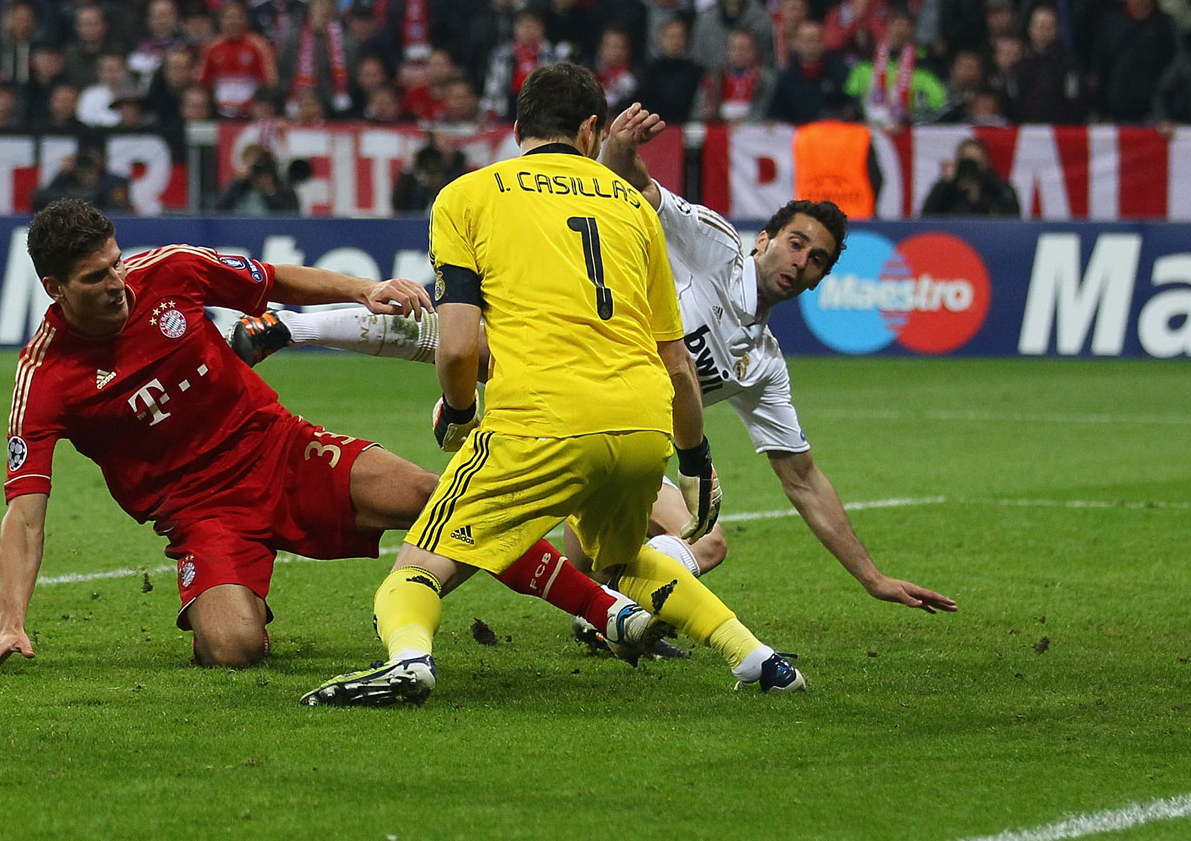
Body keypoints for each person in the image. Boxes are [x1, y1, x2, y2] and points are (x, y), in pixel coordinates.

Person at [0, 200, 661, 674]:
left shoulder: (167, 271)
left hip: (280, 448)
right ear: (55, 288)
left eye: (116, 262)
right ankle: (232, 596)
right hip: (203, 514)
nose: (118, 282)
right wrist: (11, 622)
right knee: (233, 648)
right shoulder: (44, 377)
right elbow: (25, 513)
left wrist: (362, 290)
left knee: (435, 497)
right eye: (96, 277)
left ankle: (607, 613)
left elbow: (274, 282)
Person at [300, 64, 810, 709]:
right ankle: (756, 659)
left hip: (539, 420)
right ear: (591, 128)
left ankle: (408, 662)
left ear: (518, 127)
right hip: (642, 424)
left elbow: (458, 343)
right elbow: (677, 361)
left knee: (418, 565)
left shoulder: (468, 195)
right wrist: (697, 459)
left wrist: (459, 415)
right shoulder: (632, 205)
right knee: (624, 558)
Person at [921, 138, 1021, 216]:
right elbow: (927, 217)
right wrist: (945, 184)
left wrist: (978, 193)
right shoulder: (948, 190)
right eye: (967, 162)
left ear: (985, 163)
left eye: (975, 162)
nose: (971, 168)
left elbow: (1012, 216)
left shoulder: (998, 189)